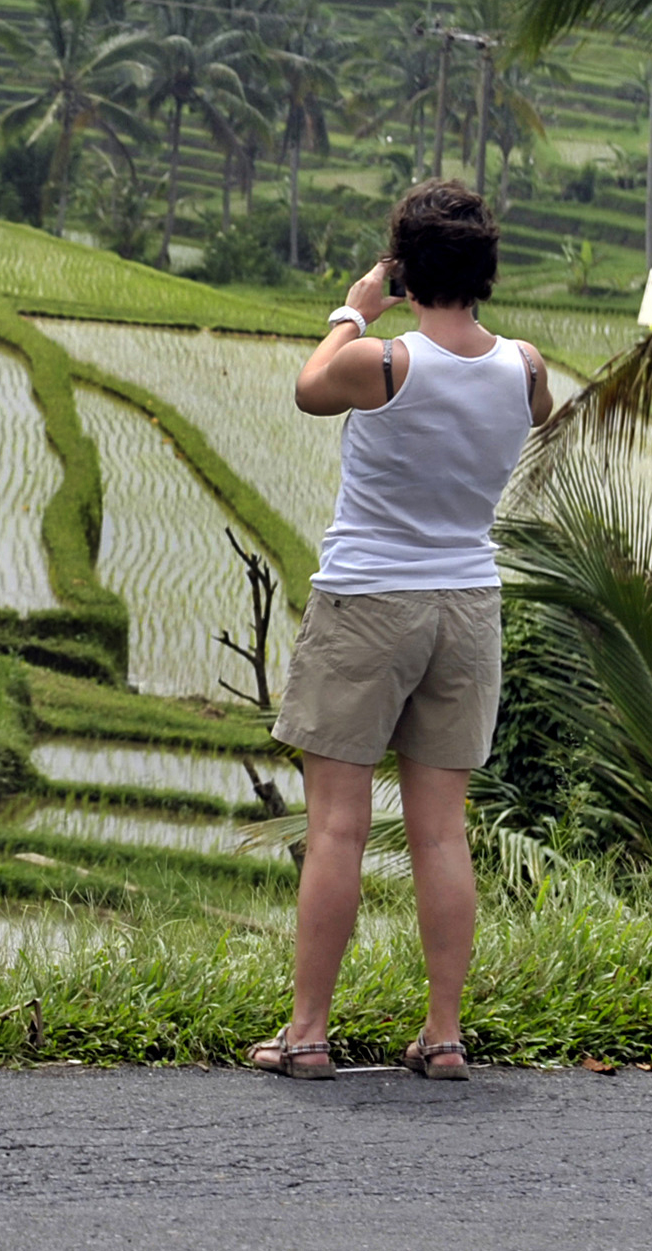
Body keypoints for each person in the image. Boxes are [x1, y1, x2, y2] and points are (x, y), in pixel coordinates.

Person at [250, 182, 551, 1084]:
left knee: (338, 826)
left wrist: (353, 307)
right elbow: (536, 416)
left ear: (407, 266)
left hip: (371, 600)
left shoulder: (382, 362)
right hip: (468, 606)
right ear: (486, 271)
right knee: (442, 833)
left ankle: (307, 1035)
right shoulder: (525, 365)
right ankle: (444, 1035)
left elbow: (310, 389)